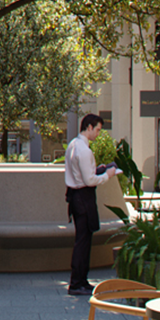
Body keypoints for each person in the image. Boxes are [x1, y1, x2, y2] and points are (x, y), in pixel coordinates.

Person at [63, 113, 114, 296]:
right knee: (83, 241)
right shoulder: (84, 150)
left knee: (82, 240)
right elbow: (89, 180)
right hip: (83, 197)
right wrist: (108, 174)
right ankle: (77, 282)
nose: (98, 134)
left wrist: (100, 170)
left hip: (76, 196)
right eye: (98, 129)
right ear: (89, 127)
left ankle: (81, 281)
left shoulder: (73, 145)